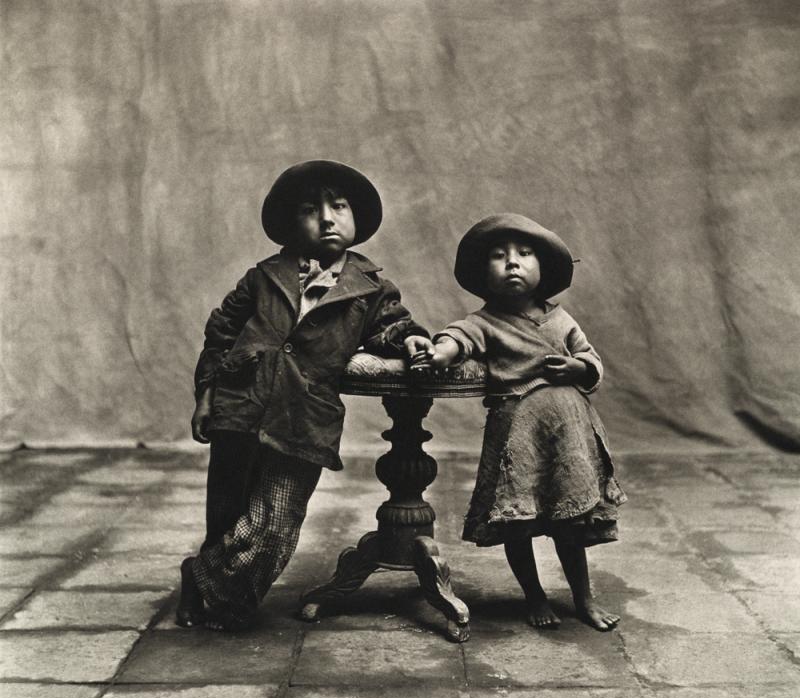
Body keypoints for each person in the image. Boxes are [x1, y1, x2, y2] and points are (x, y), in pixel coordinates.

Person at [177, 160, 428, 630]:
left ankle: (199, 576)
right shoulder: (263, 276)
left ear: (356, 219)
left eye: (339, 207)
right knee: (228, 512)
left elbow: (391, 325)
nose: (327, 218)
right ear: (292, 223)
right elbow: (221, 334)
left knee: (276, 522)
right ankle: (224, 602)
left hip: (304, 414)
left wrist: (411, 339)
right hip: (241, 403)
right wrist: (207, 394)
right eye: (311, 210)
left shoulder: (370, 287)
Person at [407, 214, 626, 631]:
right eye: (499, 256)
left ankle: (584, 598)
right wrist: (441, 353)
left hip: (569, 440)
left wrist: (578, 367)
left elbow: (593, 360)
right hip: (517, 438)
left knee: (570, 522)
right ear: (481, 272)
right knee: (517, 523)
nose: (512, 263)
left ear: (542, 269)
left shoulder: (561, 320)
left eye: (524, 254)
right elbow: (458, 337)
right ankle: (535, 597)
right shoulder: (484, 322)